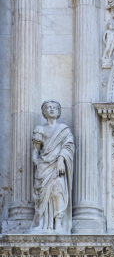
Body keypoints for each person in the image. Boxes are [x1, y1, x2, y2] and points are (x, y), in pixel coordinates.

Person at [31, 99, 74, 233]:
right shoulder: (40, 129)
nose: (51, 109)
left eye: (54, 107)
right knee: (42, 195)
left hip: (58, 166)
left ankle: (58, 223)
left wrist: (61, 159)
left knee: (58, 190)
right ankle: (42, 222)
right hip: (43, 167)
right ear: (44, 111)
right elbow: (36, 150)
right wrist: (36, 161)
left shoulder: (64, 130)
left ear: (58, 111)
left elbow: (69, 147)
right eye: (48, 107)